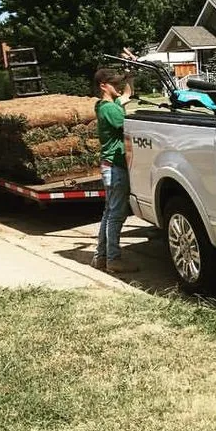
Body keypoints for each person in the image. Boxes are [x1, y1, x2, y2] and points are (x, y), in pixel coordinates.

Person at [91, 61, 139, 273]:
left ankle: (101, 258)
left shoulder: (104, 105)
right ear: (103, 85)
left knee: (108, 213)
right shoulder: (110, 109)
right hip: (115, 168)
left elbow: (127, 94)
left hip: (109, 166)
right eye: (113, 84)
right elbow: (130, 126)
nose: (117, 87)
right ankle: (113, 260)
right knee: (116, 215)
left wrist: (130, 74)